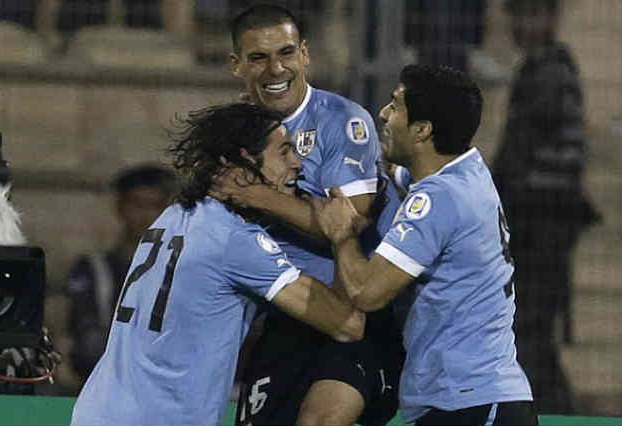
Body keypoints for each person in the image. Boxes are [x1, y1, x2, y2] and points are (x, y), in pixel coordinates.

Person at [69, 103, 366, 426]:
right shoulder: (234, 239)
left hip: (97, 412)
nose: (297, 164)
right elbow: (348, 325)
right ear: (241, 165)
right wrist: (343, 237)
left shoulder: (172, 216)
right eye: (283, 153)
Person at [311, 64, 538, 425]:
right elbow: (404, 175)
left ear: (422, 130)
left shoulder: (438, 200)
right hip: (482, 400)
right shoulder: (469, 172)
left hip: (469, 407)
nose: (383, 115)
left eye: (395, 106)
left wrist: (342, 235)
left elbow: (367, 292)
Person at [214, 4, 404, 425]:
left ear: (305, 54)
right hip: (283, 318)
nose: (275, 69)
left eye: (285, 53)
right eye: (258, 57)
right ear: (236, 65)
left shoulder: (343, 121)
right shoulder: (235, 134)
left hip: (355, 315)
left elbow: (348, 223)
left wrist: (258, 196)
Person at [491, 0, 600, 414]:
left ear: (553, 18)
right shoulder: (546, 69)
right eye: (517, 14)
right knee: (531, 336)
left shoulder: (549, 74)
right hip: (543, 224)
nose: (522, 24)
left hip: (542, 226)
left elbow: (518, 159)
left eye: (533, 14)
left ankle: (556, 412)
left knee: (530, 335)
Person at [66, 164, 176, 382]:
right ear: (120, 207)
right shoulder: (93, 268)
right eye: (137, 204)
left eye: (155, 206)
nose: (146, 215)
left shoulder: (177, 269)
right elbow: (82, 334)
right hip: (103, 380)